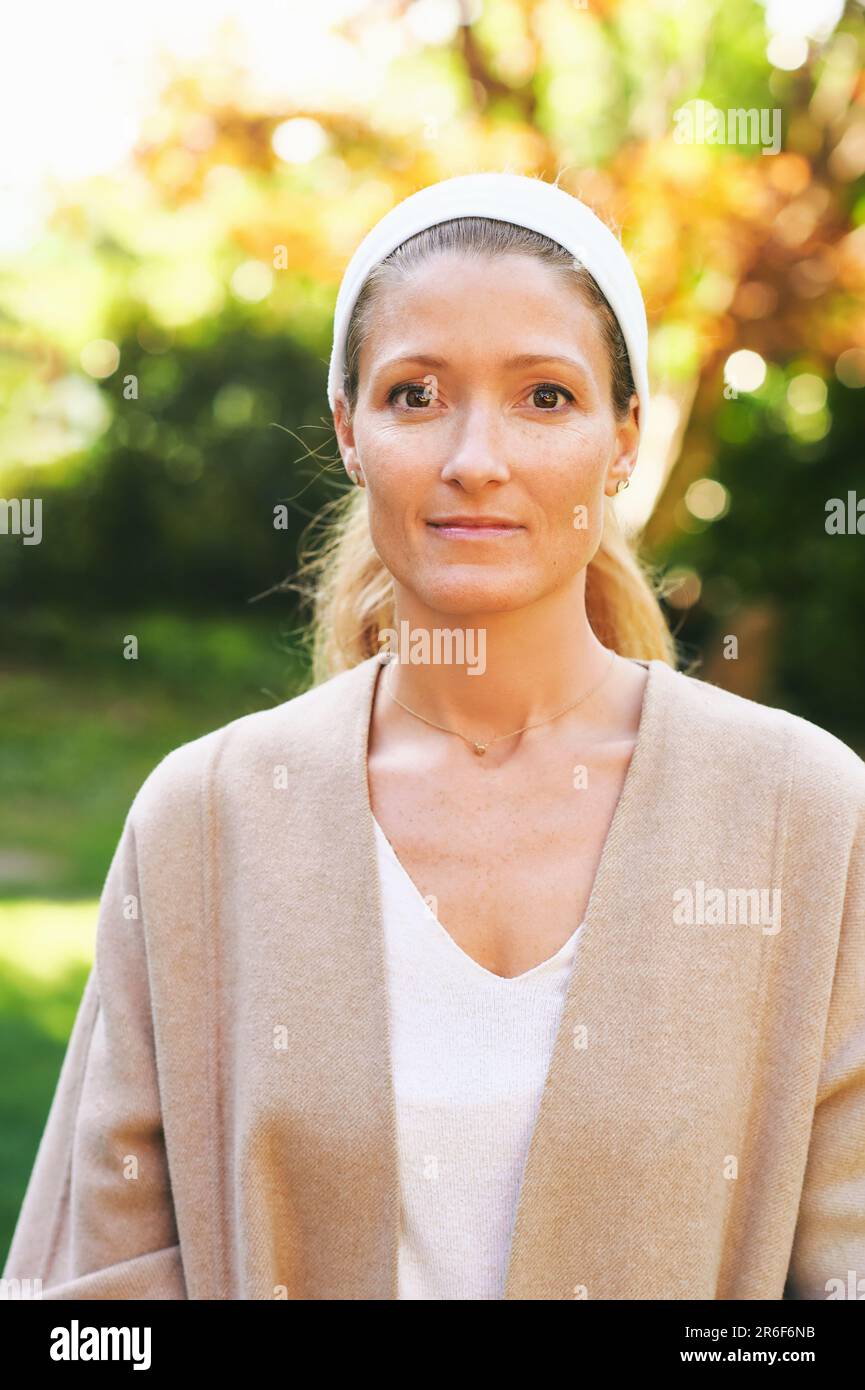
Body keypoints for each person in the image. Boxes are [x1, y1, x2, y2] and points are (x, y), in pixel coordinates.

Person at [3, 172, 864, 1301]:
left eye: (544, 397)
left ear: (624, 439)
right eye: (415, 394)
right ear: (348, 432)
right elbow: (96, 1297)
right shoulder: (206, 819)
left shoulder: (801, 812)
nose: (474, 458)